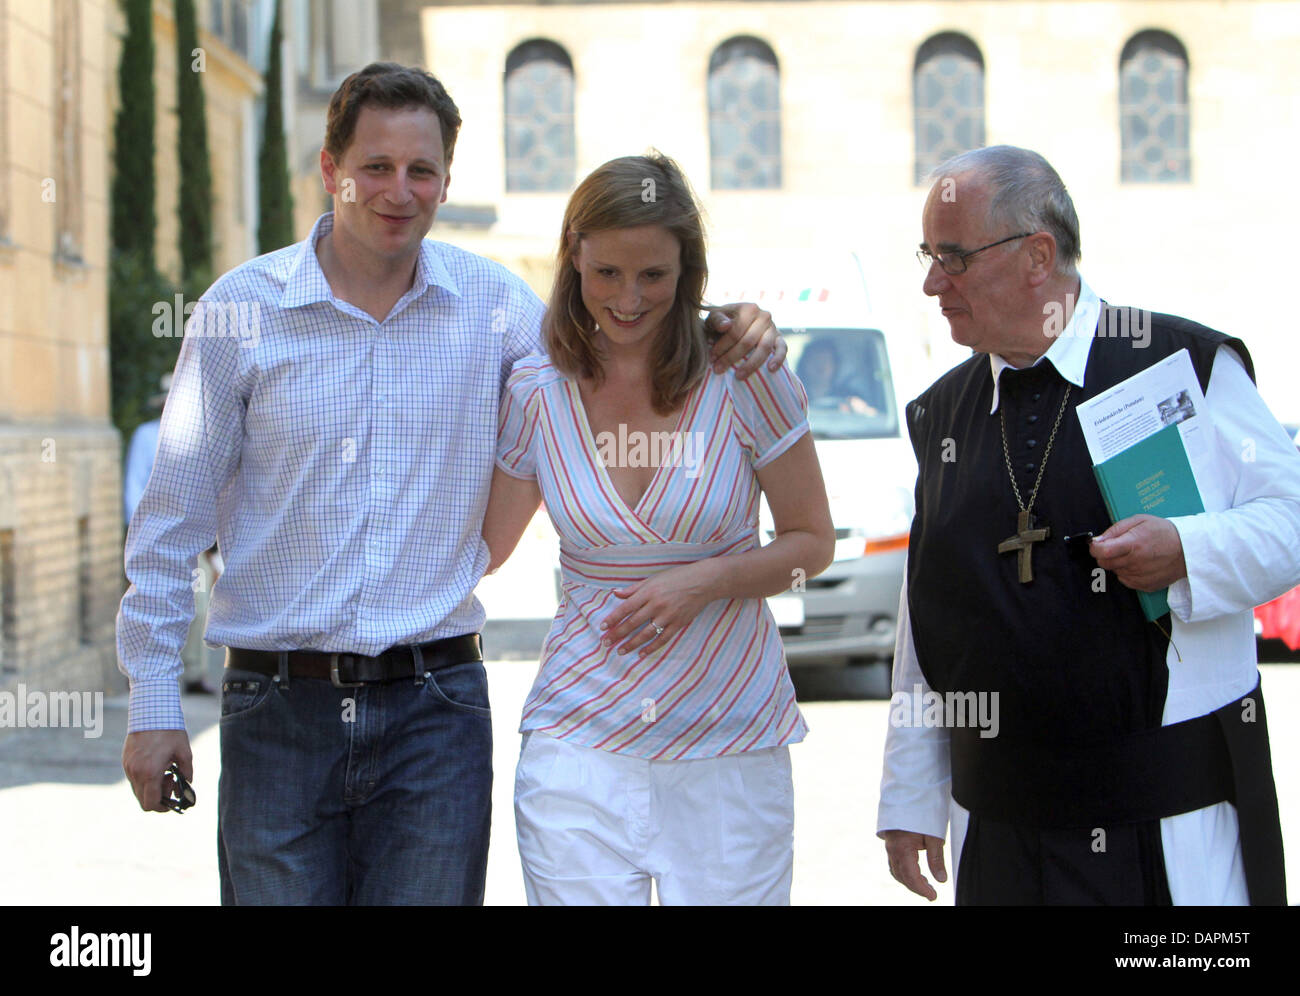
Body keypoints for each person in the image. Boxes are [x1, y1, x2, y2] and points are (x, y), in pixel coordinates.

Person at [116, 63, 785, 906]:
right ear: (331, 171)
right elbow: (168, 525)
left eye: (421, 170)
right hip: (276, 709)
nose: (399, 191)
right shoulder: (238, 312)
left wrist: (723, 321)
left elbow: (620, 332)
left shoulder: (500, 312)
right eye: (376, 167)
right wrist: (152, 704)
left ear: (444, 181)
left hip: (435, 712)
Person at [878, 144, 1300, 905]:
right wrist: (910, 797)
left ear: (1038, 254)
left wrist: (1188, 550)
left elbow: (1292, 520)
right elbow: (928, 613)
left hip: (1160, 824)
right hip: (1000, 826)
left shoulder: (1181, 364)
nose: (932, 282)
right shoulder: (942, 413)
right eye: (929, 255)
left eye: (954, 257)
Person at [481, 152, 835, 905]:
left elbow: (812, 542)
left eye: (654, 275)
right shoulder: (535, 389)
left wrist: (705, 582)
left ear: (690, 271)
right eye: (607, 272)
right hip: (577, 739)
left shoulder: (746, 373)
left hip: (730, 743)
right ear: (573, 255)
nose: (630, 298)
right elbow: (483, 547)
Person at [795, 338, 877, 415]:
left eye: (826, 360)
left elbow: (874, 417)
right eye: (815, 359)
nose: (820, 366)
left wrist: (863, 410)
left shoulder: (849, 395)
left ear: (835, 365)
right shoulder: (793, 395)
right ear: (804, 364)